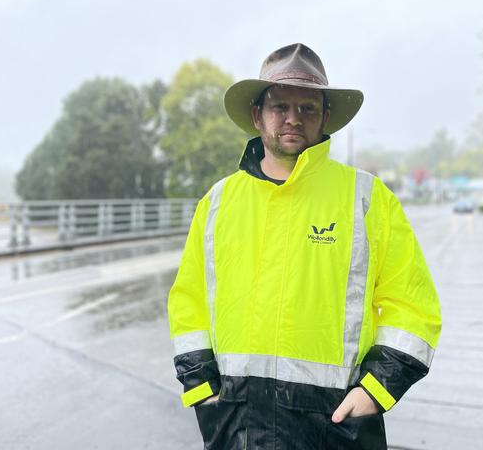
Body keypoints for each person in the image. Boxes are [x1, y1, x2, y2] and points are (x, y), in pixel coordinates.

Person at [168, 43, 442, 450]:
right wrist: (202, 390)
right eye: (280, 106)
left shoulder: (367, 199)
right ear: (257, 115)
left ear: (325, 117)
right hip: (236, 425)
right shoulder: (218, 202)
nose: (293, 118)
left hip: (336, 427)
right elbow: (188, 303)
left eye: (307, 108)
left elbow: (413, 307)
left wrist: (375, 391)